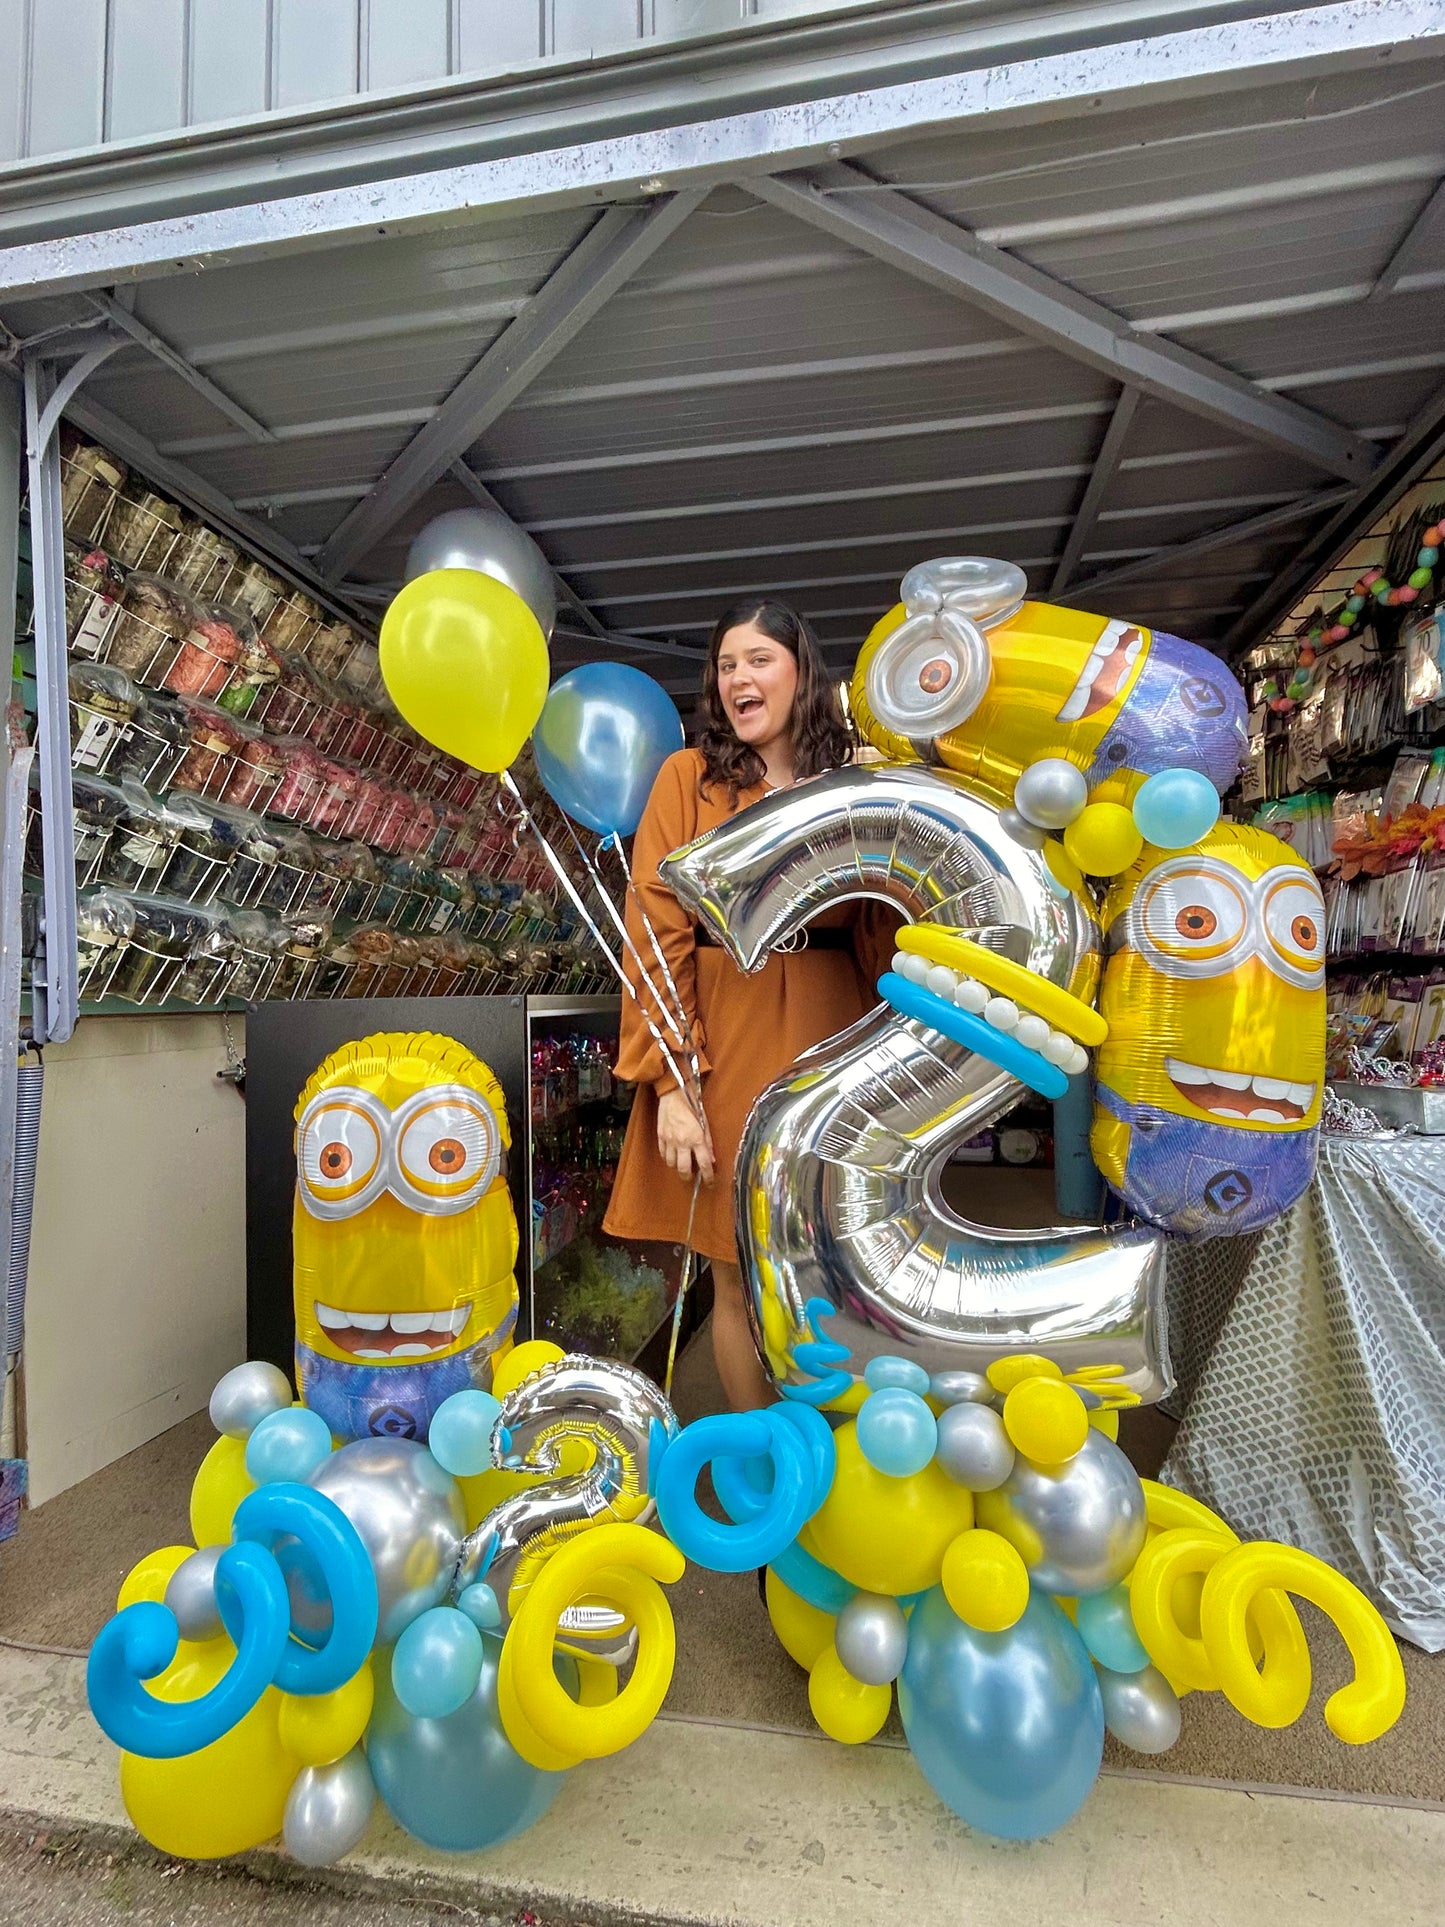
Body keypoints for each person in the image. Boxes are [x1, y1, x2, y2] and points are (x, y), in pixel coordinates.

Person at [602, 598, 895, 1411]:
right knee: (735, 1271)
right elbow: (654, 927)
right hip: (723, 1031)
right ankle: (767, 1462)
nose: (738, 677)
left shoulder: (852, 785)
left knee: (835, 1259)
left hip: (833, 1023)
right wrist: (669, 1083)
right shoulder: (686, 779)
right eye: (726, 664)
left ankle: (839, 1467)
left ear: (801, 670)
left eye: (757, 659)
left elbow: (883, 927)